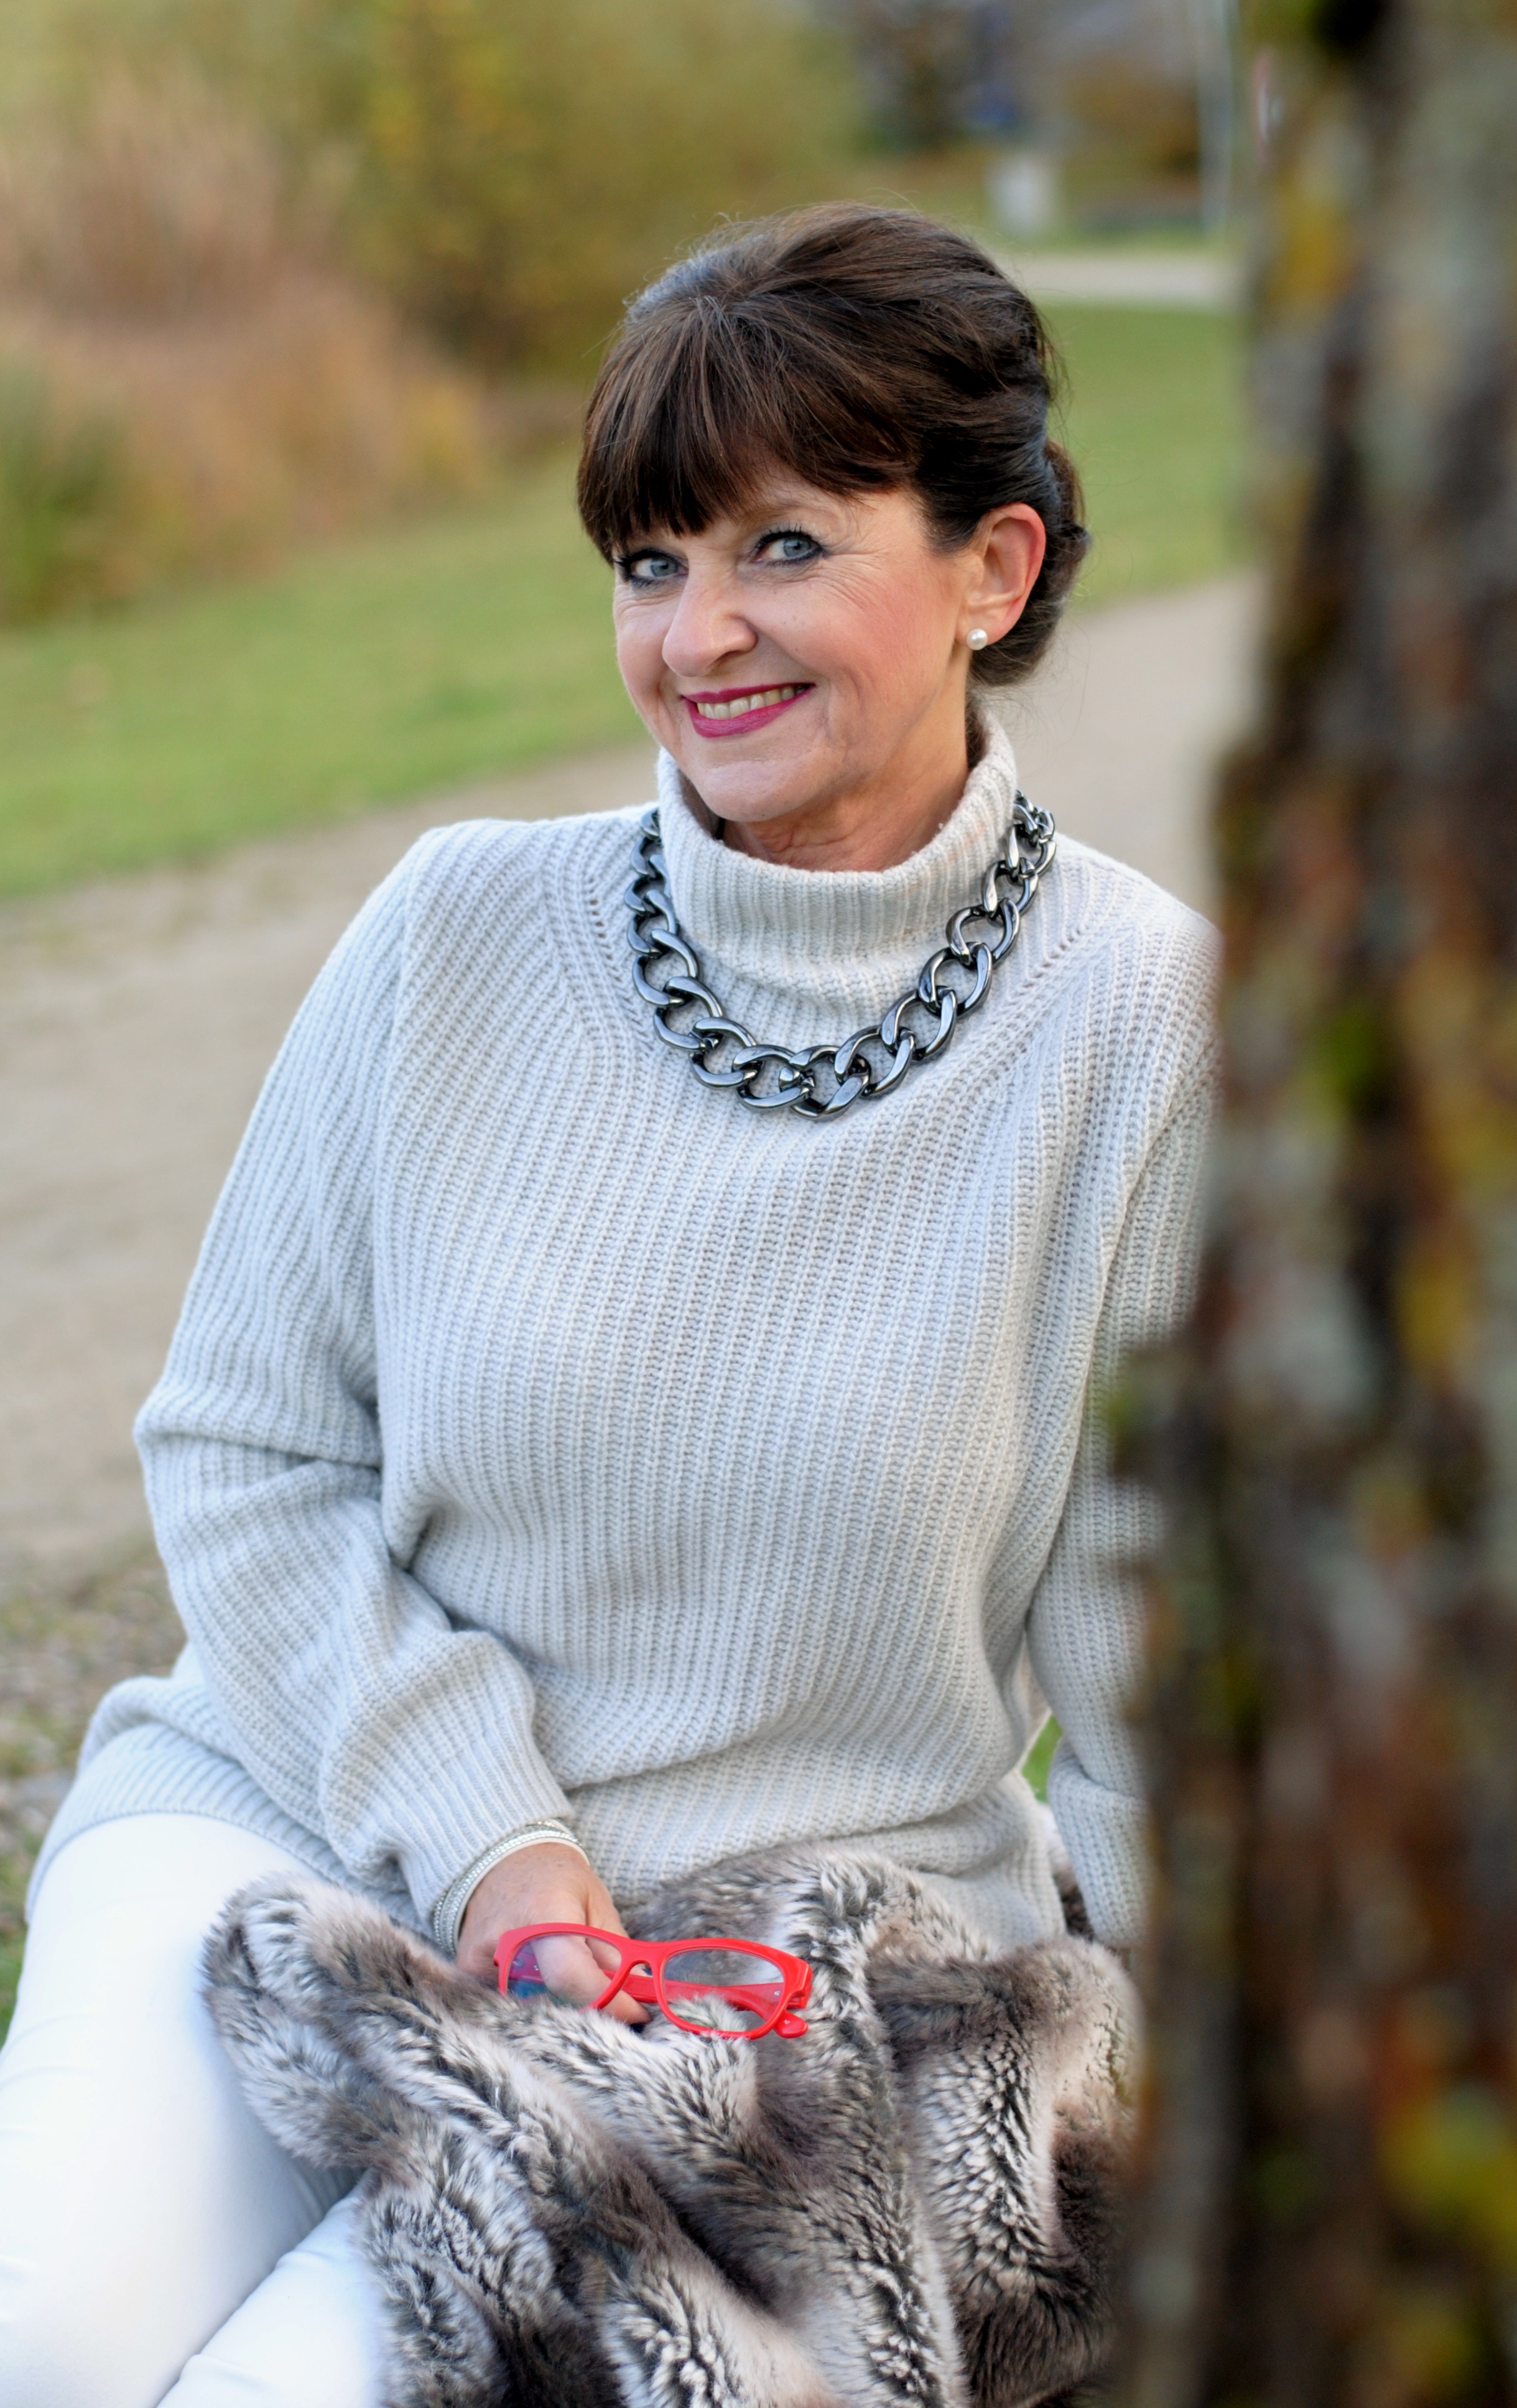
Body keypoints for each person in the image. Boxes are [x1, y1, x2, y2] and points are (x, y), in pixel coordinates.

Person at [0, 203, 1218, 2406]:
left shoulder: (1142, 1023)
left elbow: (1164, 1657)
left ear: (995, 567)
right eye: (652, 563)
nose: (698, 634)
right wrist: (496, 1834)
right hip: (305, 1815)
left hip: (760, 1980)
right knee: (45, 2334)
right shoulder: (452, 932)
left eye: (782, 547)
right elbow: (247, 1447)